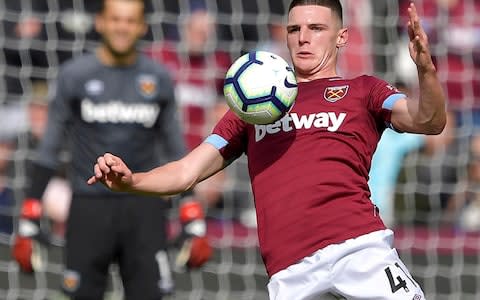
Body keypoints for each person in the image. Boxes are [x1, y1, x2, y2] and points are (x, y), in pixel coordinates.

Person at [88, 1, 446, 299]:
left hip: (360, 250)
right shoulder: (252, 104)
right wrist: (132, 180)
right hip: (292, 271)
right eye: (295, 30)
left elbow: (429, 121)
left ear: (341, 37)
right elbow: (186, 172)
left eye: (316, 28)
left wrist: (425, 71)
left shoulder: (364, 90)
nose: (303, 39)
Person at [11, 1, 212, 299]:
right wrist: (29, 216)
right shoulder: (74, 75)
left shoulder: (158, 78)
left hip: (145, 209)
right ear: (101, 22)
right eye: (115, 19)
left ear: (143, 26)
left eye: (130, 21)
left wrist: (192, 215)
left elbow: (176, 149)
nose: (122, 27)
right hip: (88, 208)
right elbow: (49, 148)